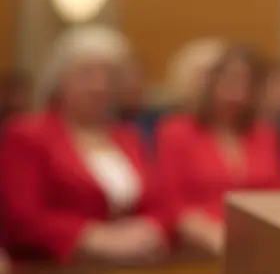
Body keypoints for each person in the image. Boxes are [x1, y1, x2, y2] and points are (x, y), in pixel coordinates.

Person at [0, 26, 173, 264]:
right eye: (86, 74)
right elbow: (21, 219)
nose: (99, 85)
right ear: (58, 80)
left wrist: (151, 228)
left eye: (109, 76)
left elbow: (161, 203)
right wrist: (93, 237)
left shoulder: (128, 136)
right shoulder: (28, 134)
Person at [155, 43, 280, 255]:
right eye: (228, 80)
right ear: (211, 82)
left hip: (261, 245)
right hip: (198, 248)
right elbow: (170, 202)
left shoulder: (266, 134)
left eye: (245, 82)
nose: (236, 91)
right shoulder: (177, 131)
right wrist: (213, 236)